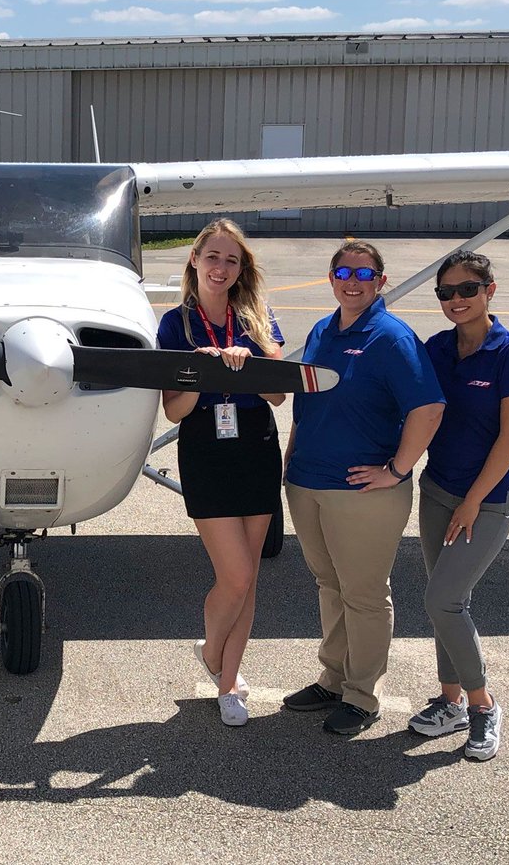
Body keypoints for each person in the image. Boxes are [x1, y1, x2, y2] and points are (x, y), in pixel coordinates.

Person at [283, 240, 445, 735]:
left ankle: (362, 695)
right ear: (331, 278)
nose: (353, 281)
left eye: (364, 273)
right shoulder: (322, 329)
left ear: (380, 280)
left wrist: (396, 470)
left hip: (363, 493)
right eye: (344, 272)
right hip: (307, 481)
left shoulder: (390, 337)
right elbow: (308, 400)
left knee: (365, 594)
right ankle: (332, 679)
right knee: (330, 585)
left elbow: (429, 408)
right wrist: (292, 457)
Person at [407, 251, 509, 761]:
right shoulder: (438, 349)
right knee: (445, 601)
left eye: (467, 289)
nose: (456, 300)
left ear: (489, 291)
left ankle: (482, 705)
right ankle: (450, 700)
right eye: (445, 292)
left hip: (487, 499)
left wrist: (473, 503)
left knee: (443, 600)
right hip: (438, 489)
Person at [157, 218, 286, 727]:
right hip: (206, 451)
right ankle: (213, 653)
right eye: (212, 256)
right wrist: (201, 368)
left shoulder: (257, 318)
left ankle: (229, 682)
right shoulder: (174, 324)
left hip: (255, 446)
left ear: (241, 269)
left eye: (231, 260)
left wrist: (248, 363)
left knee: (249, 578)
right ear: (194, 260)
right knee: (233, 574)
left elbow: (278, 393)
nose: (221, 267)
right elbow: (174, 410)